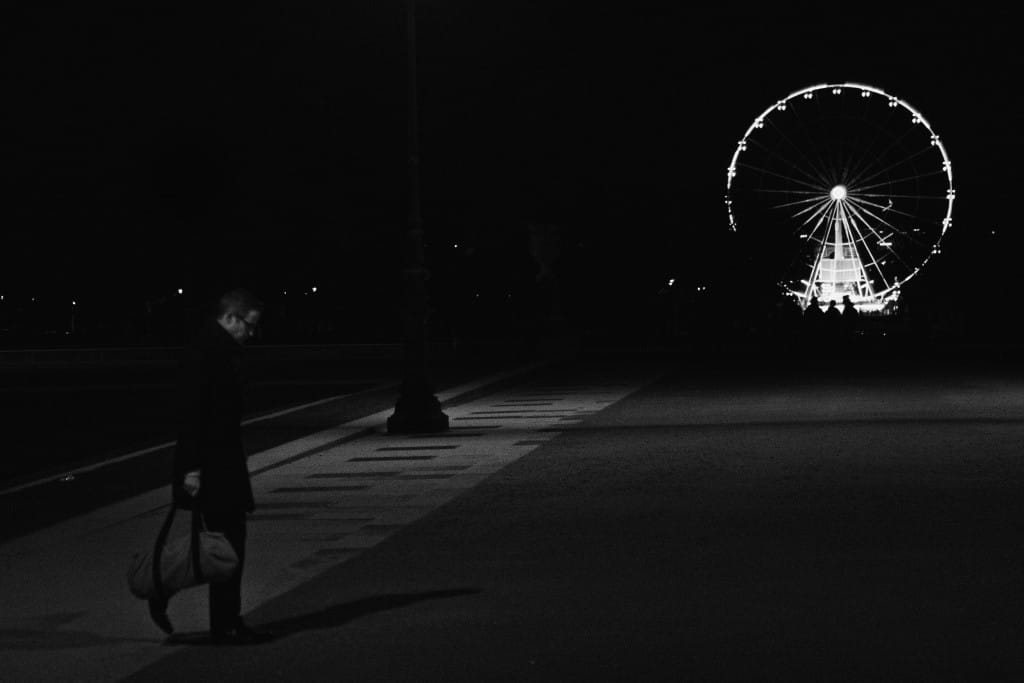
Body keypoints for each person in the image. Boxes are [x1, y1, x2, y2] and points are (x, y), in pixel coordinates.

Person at [151, 288, 268, 643]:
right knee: (228, 543)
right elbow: (193, 415)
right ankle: (225, 622)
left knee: (219, 543)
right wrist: (192, 468)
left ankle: (219, 617)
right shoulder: (209, 354)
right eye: (248, 325)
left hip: (215, 463)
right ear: (230, 317)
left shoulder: (211, 350)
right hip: (213, 466)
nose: (251, 333)